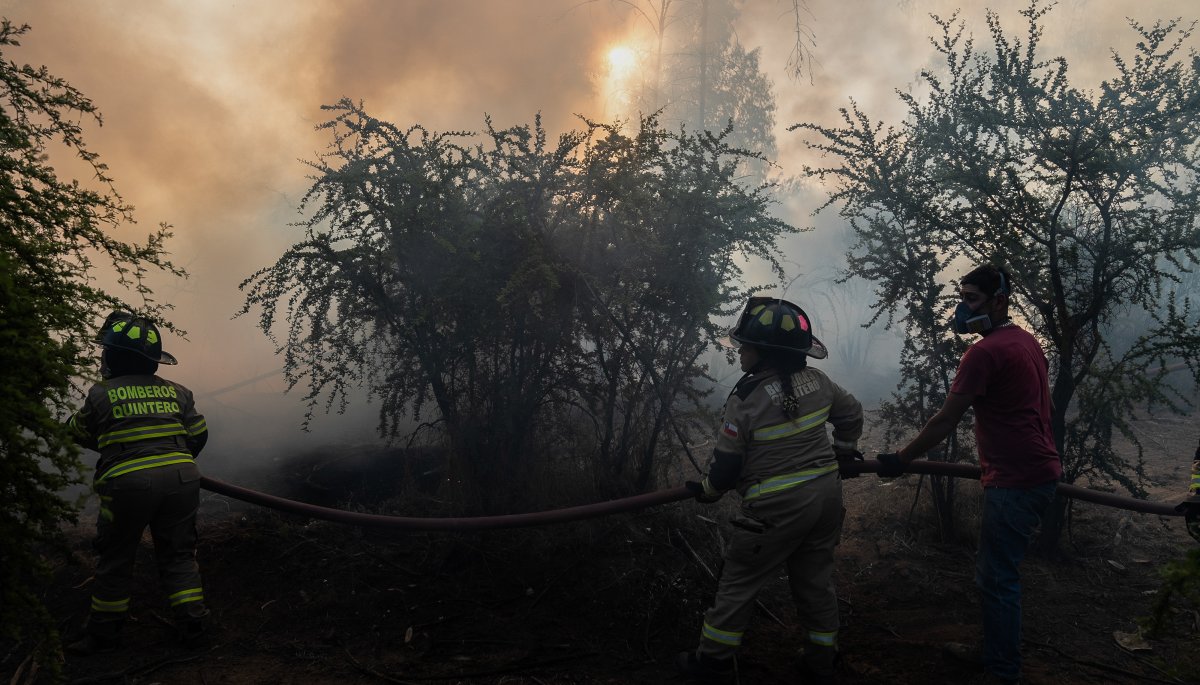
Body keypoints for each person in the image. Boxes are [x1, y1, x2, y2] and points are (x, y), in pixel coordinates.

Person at [875, 264, 1060, 684]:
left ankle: (1001, 672)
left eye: (972, 300)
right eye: (963, 298)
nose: (963, 308)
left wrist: (901, 459)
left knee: (997, 579)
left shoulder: (985, 352)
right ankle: (994, 652)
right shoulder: (1026, 342)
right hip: (1036, 471)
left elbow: (945, 421)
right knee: (997, 574)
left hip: (1017, 480)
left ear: (999, 301)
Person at [678, 297, 863, 683]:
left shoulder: (744, 400)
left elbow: (726, 467)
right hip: (826, 498)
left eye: (745, 346)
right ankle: (821, 661)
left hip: (775, 509)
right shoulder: (819, 382)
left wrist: (709, 491)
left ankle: (711, 663)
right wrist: (844, 454)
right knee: (815, 582)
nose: (740, 352)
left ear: (765, 353)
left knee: (739, 583)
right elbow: (852, 413)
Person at [66, 312, 210, 653]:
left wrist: (116, 445)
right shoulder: (180, 392)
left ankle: (104, 634)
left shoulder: (101, 394)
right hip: (183, 477)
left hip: (128, 483)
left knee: (116, 557)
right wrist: (171, 456)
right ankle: (194, 626)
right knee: (178, 556)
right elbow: (199, 435)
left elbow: (77, 431)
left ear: (113, 356)